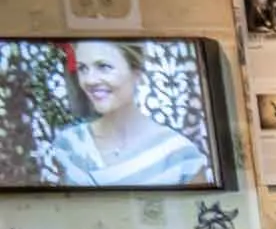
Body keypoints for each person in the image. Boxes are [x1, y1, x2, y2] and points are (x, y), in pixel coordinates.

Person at [49, 42, 210, 187]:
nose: (90, 80)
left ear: (136, 73)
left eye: (104, 67)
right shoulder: (68, 144)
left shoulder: (179, 154)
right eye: (82, 68)